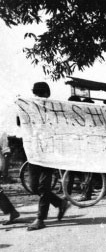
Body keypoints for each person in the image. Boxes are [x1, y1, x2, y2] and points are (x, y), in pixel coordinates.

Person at [26, 82, 70, 230]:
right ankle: (60, 203)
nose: (37, 96)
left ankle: (40, 219)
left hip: (49, 152)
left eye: (40, 93)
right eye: (35, 94)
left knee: (43, 186)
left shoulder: (53, 110)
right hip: (34, 152)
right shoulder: (30, 108)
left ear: (47, 94)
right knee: (33, 187)